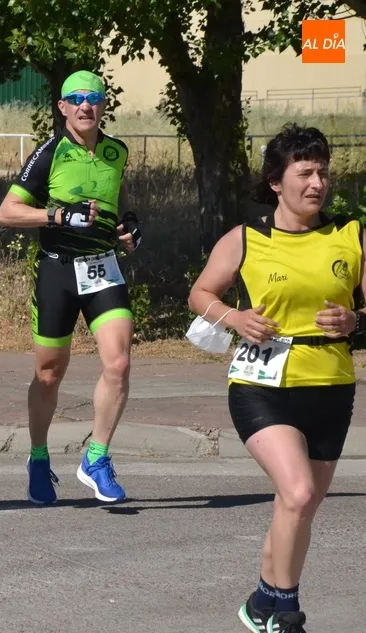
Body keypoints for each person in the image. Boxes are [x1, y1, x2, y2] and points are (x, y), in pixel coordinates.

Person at [188, 124, 360, 633]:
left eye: (323, 173)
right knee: (299, 493)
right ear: (276, 183)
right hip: (262, 387)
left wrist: (356, 321)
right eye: (305, 173)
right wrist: (235, 318)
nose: (317, 183)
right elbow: (200, 294)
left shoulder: (352, 236)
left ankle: (261, 601)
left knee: (300, 505)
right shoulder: (247, 239)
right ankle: (285, 611)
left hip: (331, 386)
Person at [0, 70, 141, 506]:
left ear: (103, 106)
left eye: (93, 98)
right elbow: (7, 212)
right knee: (49, 374)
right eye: (75, 99)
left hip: (102, 269)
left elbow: (112, 205)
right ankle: (39, 458)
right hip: (58, 271)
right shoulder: (49, 153)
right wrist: (57, 216)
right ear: (62, 107)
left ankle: (96, 458)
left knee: (119, 363)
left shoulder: (117, 152)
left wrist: (127, 227)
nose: (85, 106)